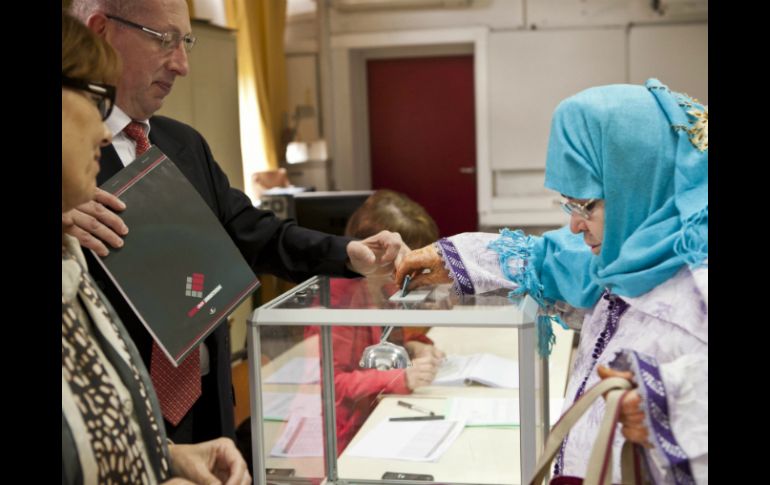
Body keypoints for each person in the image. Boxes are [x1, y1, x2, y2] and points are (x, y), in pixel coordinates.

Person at [66, 0, 409, 445]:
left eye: (186, 41)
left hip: (209, 404)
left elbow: (251, 231)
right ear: (101, 30)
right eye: (165, 40)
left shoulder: (183, 143)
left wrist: (346, 254)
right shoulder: (69, 162)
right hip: (119, 421)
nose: (183, 64)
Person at [396, 79, 707, 484]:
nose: (574, 225)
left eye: (586, 205)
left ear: (639, 183)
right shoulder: (635, 257)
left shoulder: (696, 287)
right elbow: (551, 260)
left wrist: (674, 404)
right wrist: (454, 259)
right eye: (568, 204)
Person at [62, 10, 251, 484]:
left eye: (186, 41)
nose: (105, 130)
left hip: (195, 409)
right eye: (95, 99)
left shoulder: (183, 143)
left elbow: (98, 405)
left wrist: (160, 456)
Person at [305, 190, 445, 453]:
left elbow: (386, 342)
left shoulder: (384, 287)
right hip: (343, 437)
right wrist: (401, 379)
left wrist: (414, 347)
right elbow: (331, 384)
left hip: (376, 415)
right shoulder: (336, 301)